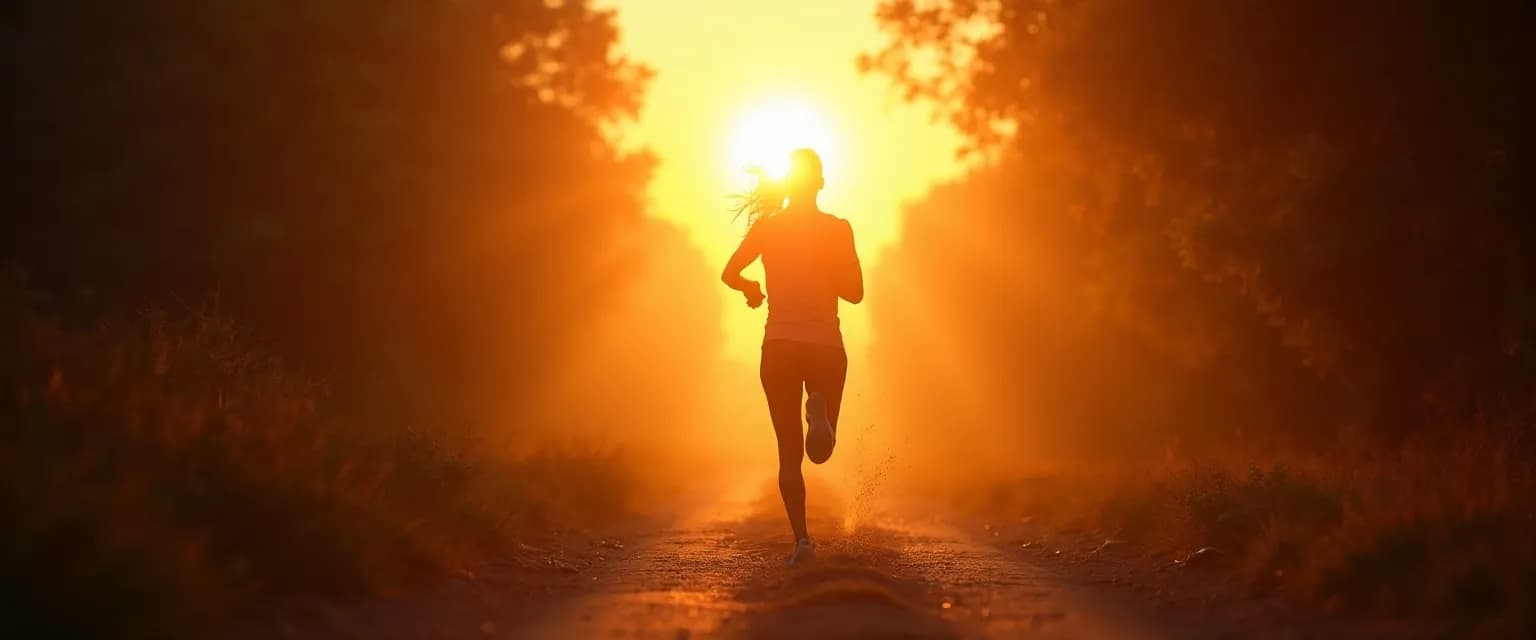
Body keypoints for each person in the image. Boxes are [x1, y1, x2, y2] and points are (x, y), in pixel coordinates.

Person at [720, 148, 863, 567]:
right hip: (825, 347)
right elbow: (854, 293)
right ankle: (818, 413)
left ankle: (802, 542)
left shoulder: (768, 227)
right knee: (822, 450)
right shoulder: (838, 229)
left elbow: (730, 272)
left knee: (790, 452)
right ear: (820, 183)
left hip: (779, 344)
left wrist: (751, 289)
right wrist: (826, 262)